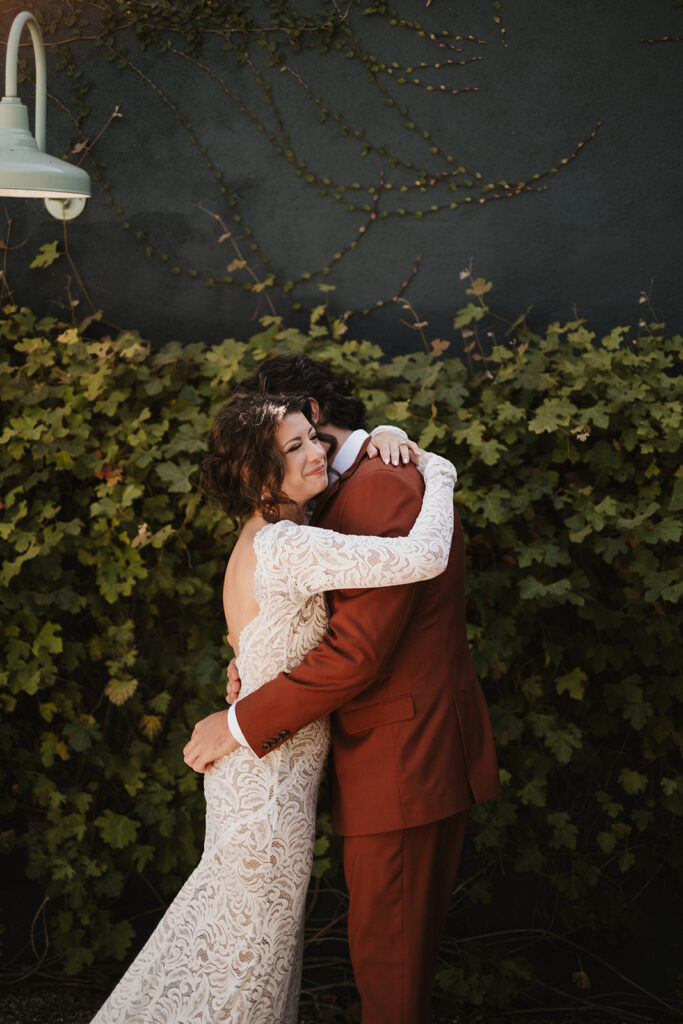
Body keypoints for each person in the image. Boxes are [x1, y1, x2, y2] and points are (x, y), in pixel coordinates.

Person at [90, 391, 457, 1024]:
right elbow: (424, 557)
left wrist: (384, 432)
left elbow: (259, 652)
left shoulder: (261, 541)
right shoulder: (287, 546)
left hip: (263, 779)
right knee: (244, 971)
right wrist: (439, 470)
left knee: (239, 958)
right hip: (267, 790)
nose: (319, 451)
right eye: (297, 447)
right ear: (260, 477)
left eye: (314, 436)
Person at [186, 355, 501, 1024]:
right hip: (358, 761)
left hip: (403, 759)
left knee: (387, 968)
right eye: (285, 443)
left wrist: (239, 722)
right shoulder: (309, 512)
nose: (299, 449)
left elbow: (356, 651)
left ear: (314, 417)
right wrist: (250, 665)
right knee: (348, 958)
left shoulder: (380, 486)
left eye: (300, 434)